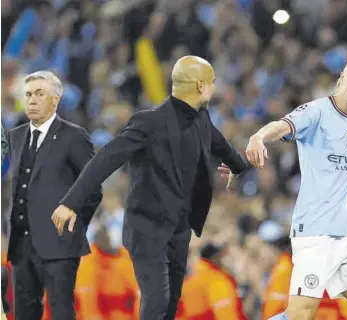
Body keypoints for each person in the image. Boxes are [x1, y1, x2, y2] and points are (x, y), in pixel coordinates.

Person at [51, 55, 250, 320]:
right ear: (200, 86)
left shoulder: (202, 119)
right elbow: (106, 158)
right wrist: (70, 202)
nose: (214, 87)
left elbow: (222, 147)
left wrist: (239, 167)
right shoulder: (149, 122)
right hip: (146, 228)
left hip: (179, 228)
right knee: (157, 299)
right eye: (212, 82)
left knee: (169, 305)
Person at [228, 55, 347, 320]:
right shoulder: (317, 111)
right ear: (342, 78)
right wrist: (258, 137)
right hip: (315, 233)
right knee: (299, 315)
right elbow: (282, 125)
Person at [6, 71, 102, 320]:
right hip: (21, 244)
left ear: (56, 99)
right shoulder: (15, 136)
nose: (32, 100)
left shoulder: (74, 136)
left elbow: (92, 188)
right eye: (28, 94)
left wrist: (73, 224)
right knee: (24, 312)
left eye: (39, 94)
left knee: (60, 311)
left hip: (59, 245)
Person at [176, 243, 247, 320]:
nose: (223, 259)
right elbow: (224, 312)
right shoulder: (215, 280)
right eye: (220, 256)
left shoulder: (193, 276)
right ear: (214, 258)